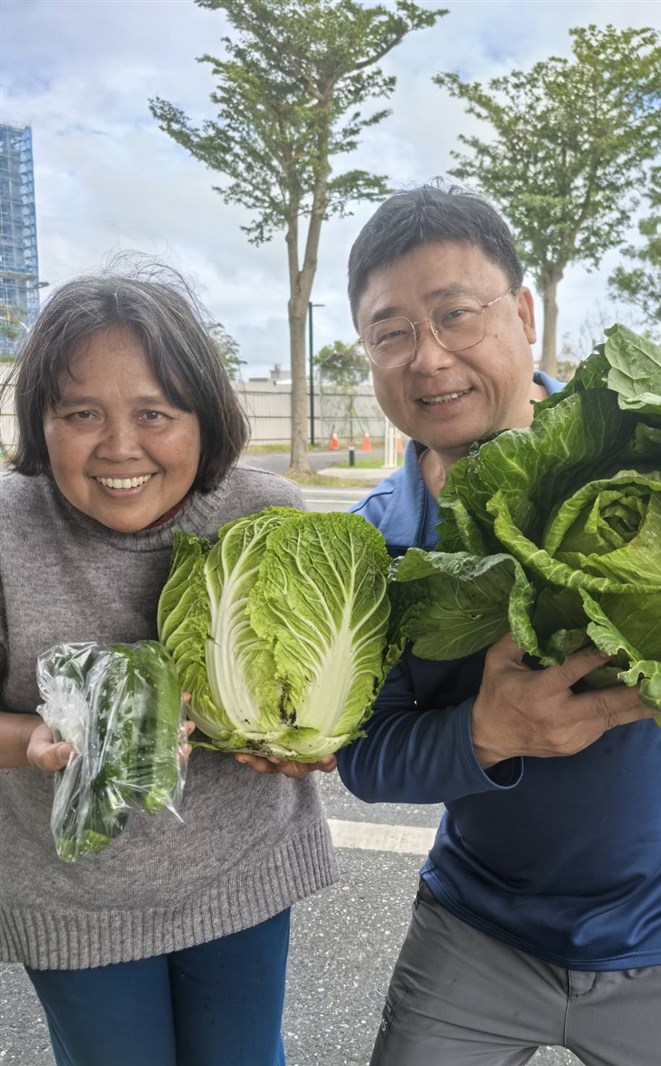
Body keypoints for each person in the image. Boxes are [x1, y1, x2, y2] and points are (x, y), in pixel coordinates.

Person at [336, 184, 661, 1066]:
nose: (428, 359)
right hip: (477, 933)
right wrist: (487, 732)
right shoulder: (369, 545)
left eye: (455, 315)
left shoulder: (660, 447)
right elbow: (363, 756)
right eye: (391, 333)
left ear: (521, 313)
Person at [0, 267, 338, 1066]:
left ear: (204, 417)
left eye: (155, 412)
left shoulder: (266, 518)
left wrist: (309, 736)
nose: (120, 447)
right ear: (40, 422)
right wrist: (35, 742)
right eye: (80, 413)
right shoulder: (6, 532)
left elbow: (317, 677)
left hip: (241, 878)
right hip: (76, 900)